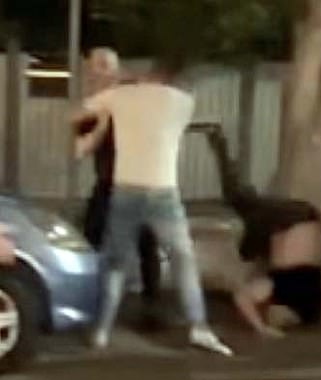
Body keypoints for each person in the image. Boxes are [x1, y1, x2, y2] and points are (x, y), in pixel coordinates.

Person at [76, 59, 233, 356]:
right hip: (163, 191)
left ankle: (102, 330)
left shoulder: (119, 97)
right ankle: (199, 327)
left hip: (125, 189)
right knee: (182, 260)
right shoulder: (183, 102)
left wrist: (117, 93)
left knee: (116, 263)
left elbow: (83, 111)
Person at [200, 125, 321, 338]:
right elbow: (243, 297)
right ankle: (220, 143)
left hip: (295, 219)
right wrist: (262, 328)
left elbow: (248, 290)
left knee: (239, 200)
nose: (268, 313)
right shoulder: (288, 292)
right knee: (245, 246)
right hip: (288, 221)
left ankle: (220, 144)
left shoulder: (294, 294)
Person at [74, 48, 162, 328]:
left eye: (102, 68)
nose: (95, 74)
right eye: (92, 69)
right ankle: (88, 304)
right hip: (107, 184)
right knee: (90, 243)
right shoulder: (92, 107)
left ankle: (152, 310)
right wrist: (102, 122)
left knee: (146, 244)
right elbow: (81, 148)